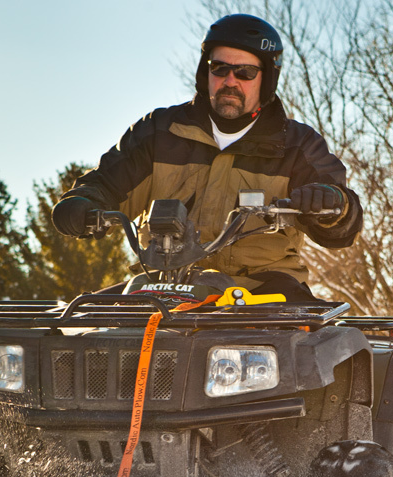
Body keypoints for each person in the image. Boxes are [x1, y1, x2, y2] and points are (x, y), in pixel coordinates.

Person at [51, 13, 362, 302]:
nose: (230, 81)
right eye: (220, 68)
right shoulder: (159, 132)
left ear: (266, 79)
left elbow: (342, 222)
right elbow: (106, 183)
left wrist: (330, 204)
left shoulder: (298, 145)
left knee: (306, 344)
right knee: (82, 324)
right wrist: (83, 204)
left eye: (245, 72)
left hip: (262, 291)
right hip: (163, 285)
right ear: (205, 71)